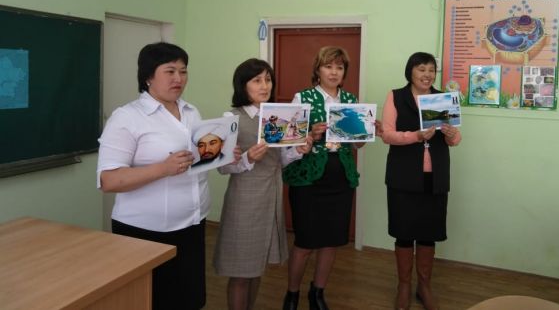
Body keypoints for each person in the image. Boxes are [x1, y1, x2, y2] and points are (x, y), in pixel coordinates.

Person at [97, 42, 211, 310]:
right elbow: (108, 180)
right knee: (153, 301)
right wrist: (162, 168)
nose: (178, 79)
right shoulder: (127, 117)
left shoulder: (191, 111)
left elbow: (196, 158)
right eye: (170, 71)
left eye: (183, 71)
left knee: (190, 300)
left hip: (193, 223)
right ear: (148, 76)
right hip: (146, 232)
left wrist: (222, 153)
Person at [213, 58, 312, 310]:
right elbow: (223, 168)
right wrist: (248, 158)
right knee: (240, 272)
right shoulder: (231, 118)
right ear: (242, 85)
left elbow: (279, 160)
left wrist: (298, 150)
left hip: (271, 196)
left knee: (256, 269)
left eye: (268, 79)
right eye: (257, 80)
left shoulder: (278, 116)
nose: (264, 86)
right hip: (244, 201)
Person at [282, 46, 367, 310]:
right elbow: (289, 141)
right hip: (308, 180)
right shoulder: (302, 98)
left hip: (340, 179)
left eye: (339, 67)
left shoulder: (351, 101)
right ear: (318, 70)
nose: (334, 72)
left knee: (332, 241)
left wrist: (364, 134)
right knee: (305, 243)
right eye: (328, 66)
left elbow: (357, 145)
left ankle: (317, 293)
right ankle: (292, 294)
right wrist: (312, 134)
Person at [381, 52, 461, 310]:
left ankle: (424, 286)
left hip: (435, 177)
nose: (427, 75)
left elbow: (455, 141)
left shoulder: (443, 98)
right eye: (421, 69)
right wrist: (415, 136)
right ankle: (403, 286)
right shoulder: (396, 96)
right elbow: (387, 135)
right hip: (403, 175)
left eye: (431, 70)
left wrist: (451, 133)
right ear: (410, 71)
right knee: (404, 233)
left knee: (428, 233)